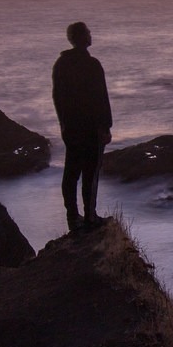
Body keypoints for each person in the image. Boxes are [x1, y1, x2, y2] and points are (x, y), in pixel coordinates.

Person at [51, 21, 112, 232]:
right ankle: (90, 217)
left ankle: (72, 217)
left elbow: (57, 97)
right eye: (87, 32)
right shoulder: (91, 64)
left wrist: (64, 124)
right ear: (81, 38)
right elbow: (100, 98)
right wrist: (105, 126)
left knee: (71, 173)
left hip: (71, 128)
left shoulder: (61, 64)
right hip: (91, 129)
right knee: (90, 173)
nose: (90, 34)